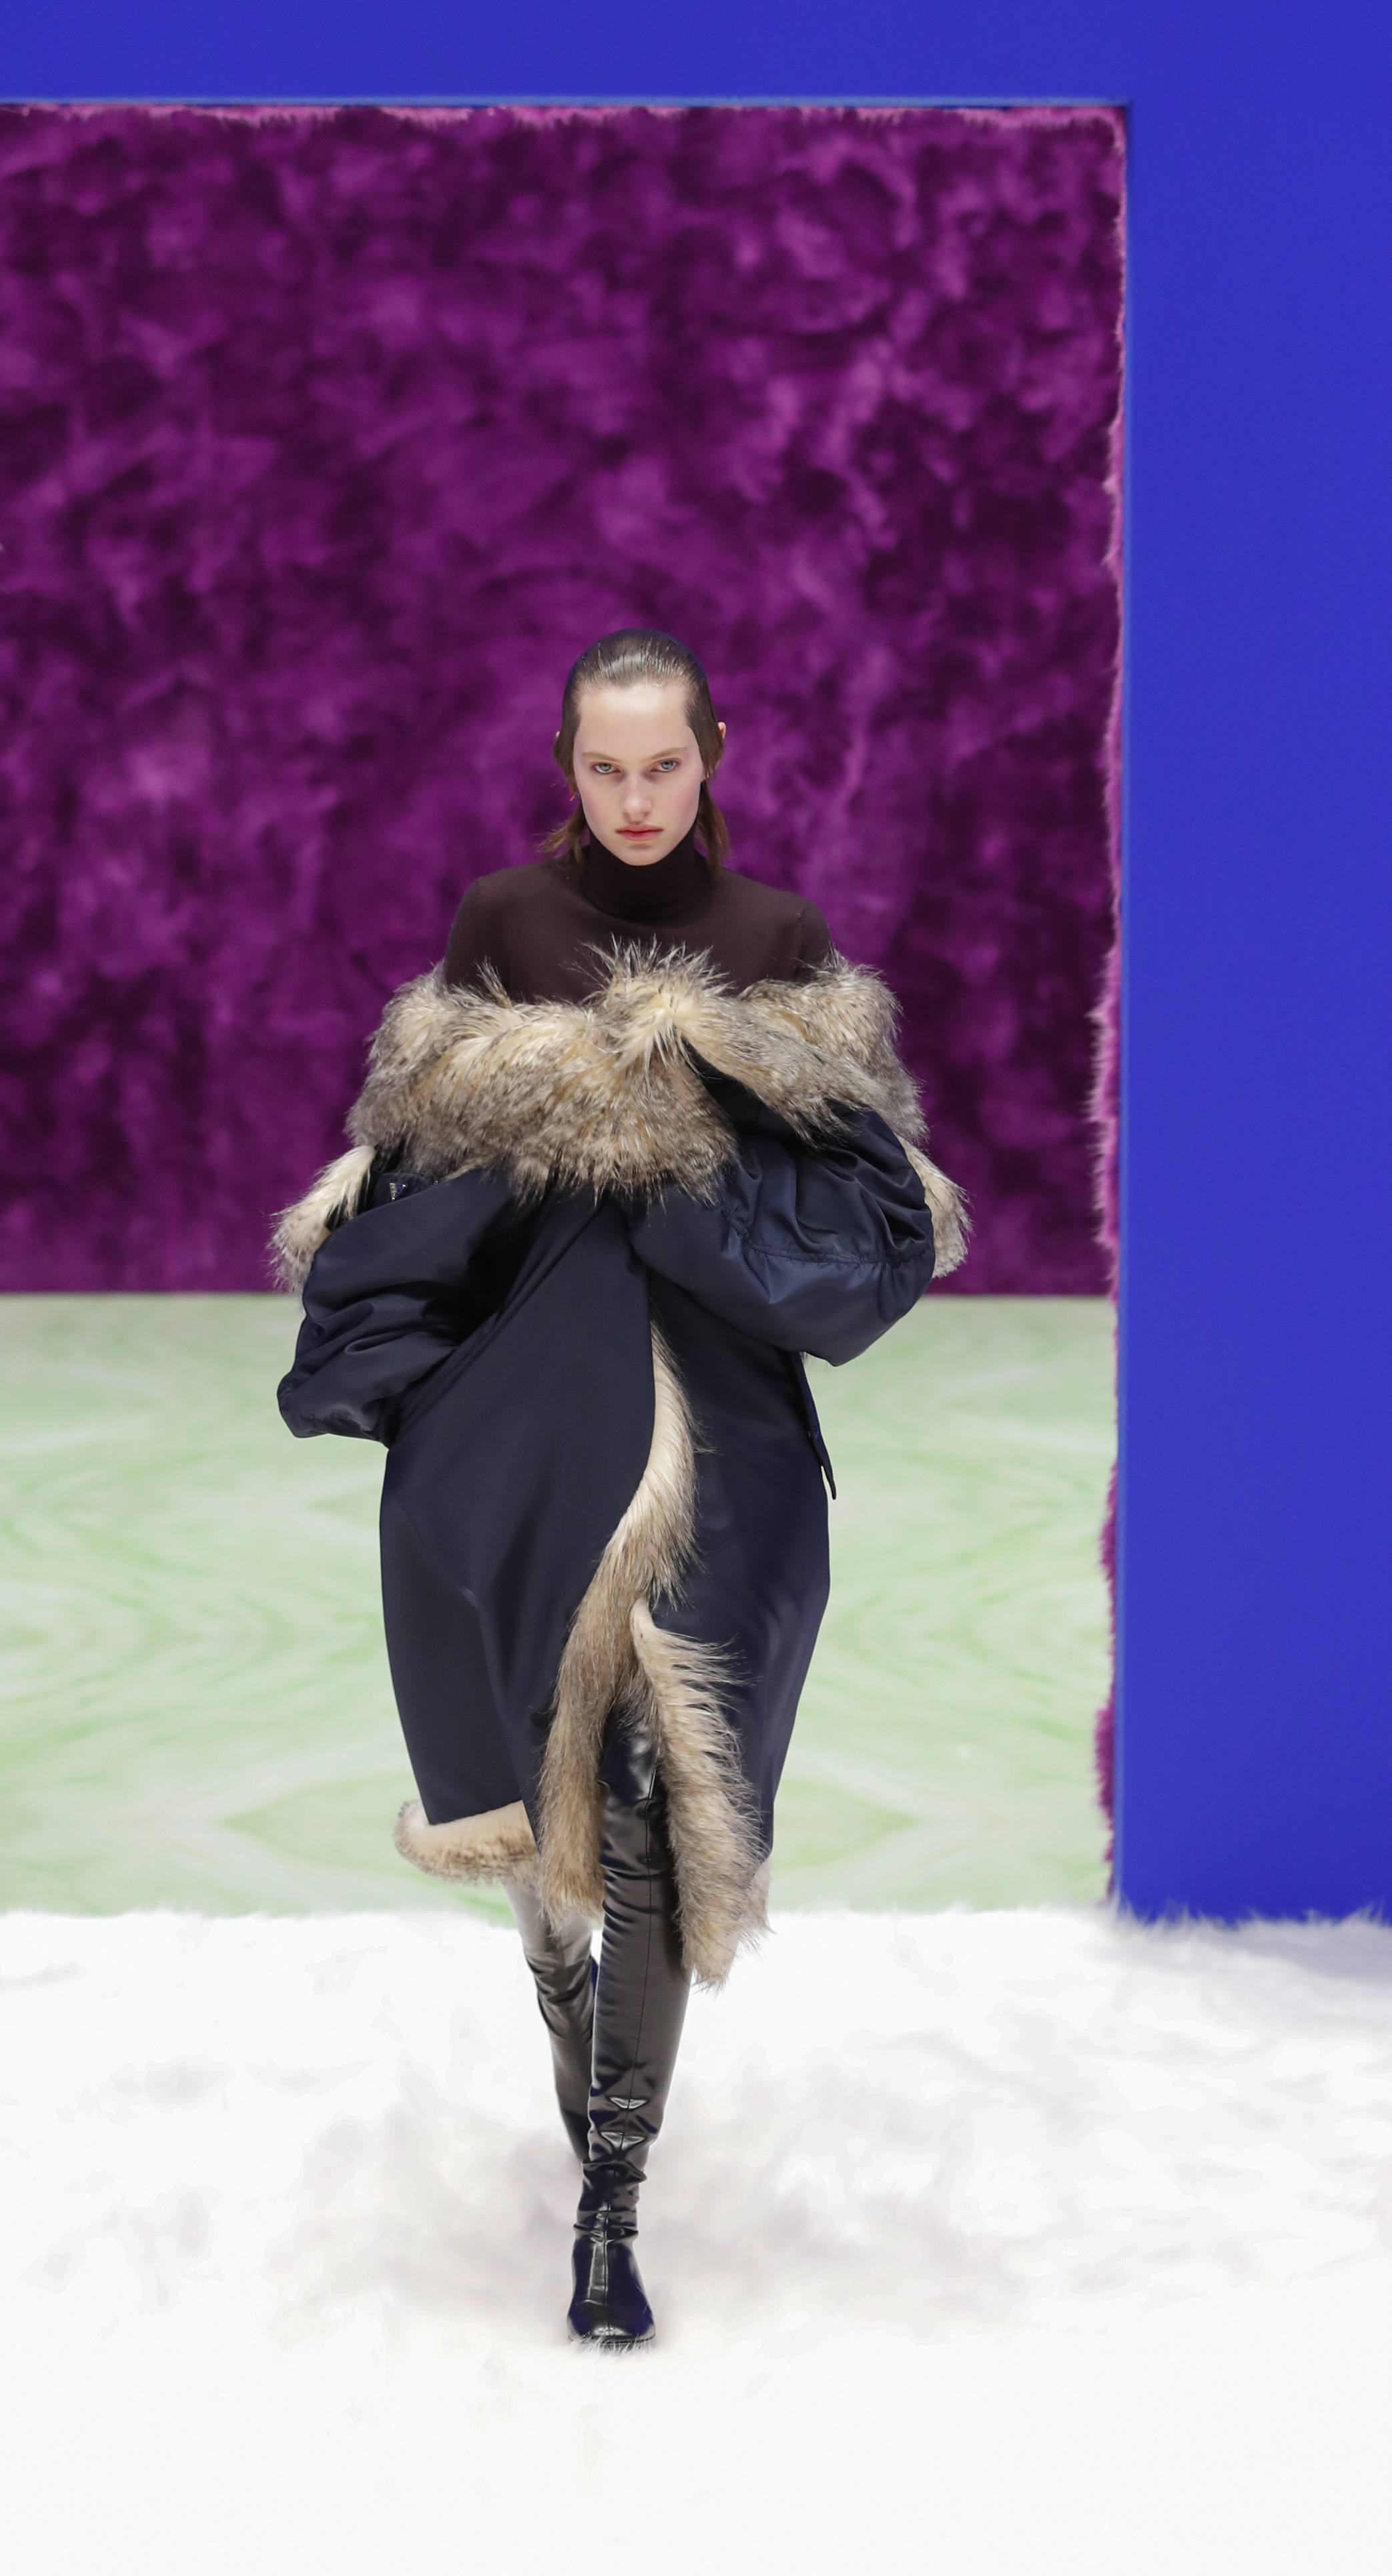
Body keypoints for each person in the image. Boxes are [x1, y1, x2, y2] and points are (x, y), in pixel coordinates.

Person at [276, 629, 965, 2346]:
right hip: (519, 1421)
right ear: (566, 765)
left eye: (664, 763)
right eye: (606, 766)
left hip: (729, 1429)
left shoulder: (779, 939)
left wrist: (697, 1113)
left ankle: (611, 2199)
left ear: (712, 751)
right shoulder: (504, 920)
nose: (637, 797)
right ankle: (562, 1996)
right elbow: (419, 1178)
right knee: (540, 1797)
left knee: (662, 1786)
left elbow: (853, 1207)